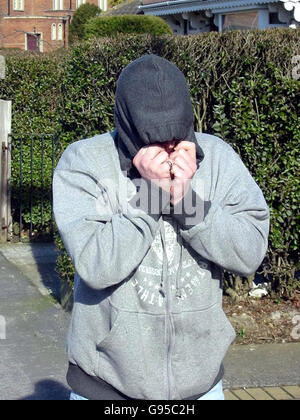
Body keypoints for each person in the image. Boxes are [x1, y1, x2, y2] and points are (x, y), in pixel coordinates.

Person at [53, 54, 270, 401]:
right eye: (153, 139)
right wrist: (150, 194)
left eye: (177, 135)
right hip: (106, 387)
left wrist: (188, 202)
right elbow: (95, 264)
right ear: (129, 128)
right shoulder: (84, 162)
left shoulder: (218, 157)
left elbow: (250, 252)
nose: (169, 150)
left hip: (201, 386)